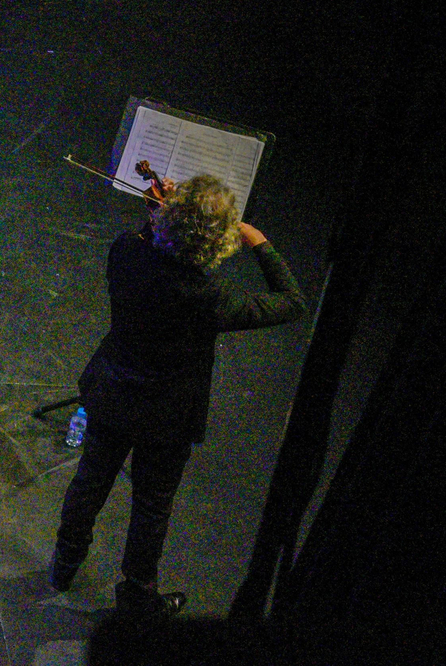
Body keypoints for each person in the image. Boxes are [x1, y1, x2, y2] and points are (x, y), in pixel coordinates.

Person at [49, 173, 307, 616]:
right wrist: (261, 243)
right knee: (152, 505)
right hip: (167, 417)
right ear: (220, 242)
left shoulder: (126, 252)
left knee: (90, 479)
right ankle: (137, 595)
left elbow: (149, 238)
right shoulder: (214, 296)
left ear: (166, 219)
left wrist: (162, 212)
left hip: (112, 392)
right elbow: (292, 301)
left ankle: (64, 564)